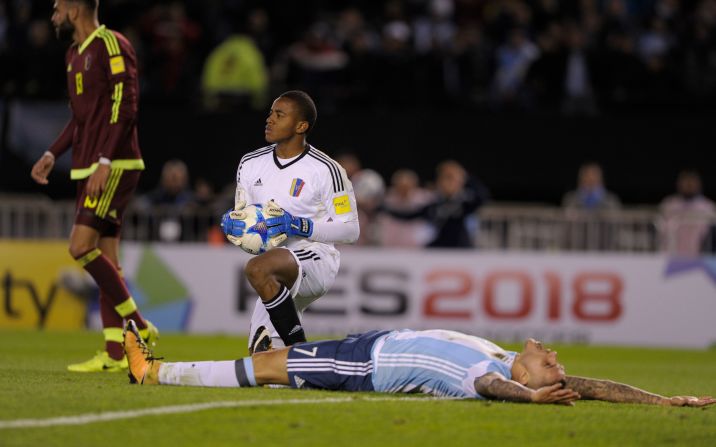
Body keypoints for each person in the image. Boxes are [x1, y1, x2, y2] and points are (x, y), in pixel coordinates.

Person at [123, 320, 716, 407]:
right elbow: (596, 386)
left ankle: (154, 372)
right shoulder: (510, 357)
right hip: (376, 340)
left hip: (366, 366)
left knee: (267, 367)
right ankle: (157, 369)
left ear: (531, 379)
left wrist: (532, 399)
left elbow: (488, 386)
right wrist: (664, 401)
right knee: (268, 360)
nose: (553, 354)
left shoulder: (487, 378)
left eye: (551, 364)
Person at [30, 0, 157, 372]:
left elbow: (126, 105)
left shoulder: (112, 44)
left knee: (79, 247)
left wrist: (104, 159)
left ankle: (140, 325)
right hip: (90, 165)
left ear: (74, 9)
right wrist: (53, 153)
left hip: (114, 163)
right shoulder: (73, 54)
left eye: (57, 6)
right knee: (108, 260)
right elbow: (80, 119)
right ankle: (116, 354)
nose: (53, 12)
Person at [220, 90, 359, 353]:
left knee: (257, 268)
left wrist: (299, 225)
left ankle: (300, 348)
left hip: (316, 258)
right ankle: (302, 361)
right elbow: (248, 220)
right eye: (271, 113)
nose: (269, 119)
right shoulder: (250, 163)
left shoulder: (327, 170)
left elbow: (351, 230)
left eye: (279, 115)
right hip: (273, 266)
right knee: (263, 358)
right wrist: (234, 227)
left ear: (301, 126)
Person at [381, 160, 489, 248]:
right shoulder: (435, 206)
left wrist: (465, 176)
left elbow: (483, 197)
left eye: (451, 179)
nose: (448, 183)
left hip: (461, 249)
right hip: (441, 248)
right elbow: (409, 215)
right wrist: (385, 210)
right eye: (445, 179)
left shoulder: (464, 203)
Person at [658, 169, 716, 256]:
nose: (689, 185)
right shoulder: (669, 204)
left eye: (692, 183)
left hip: (700, 255)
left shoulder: (708, 206)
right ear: (679, 184)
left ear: (698, 184)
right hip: (671, 254)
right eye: (686, 183)